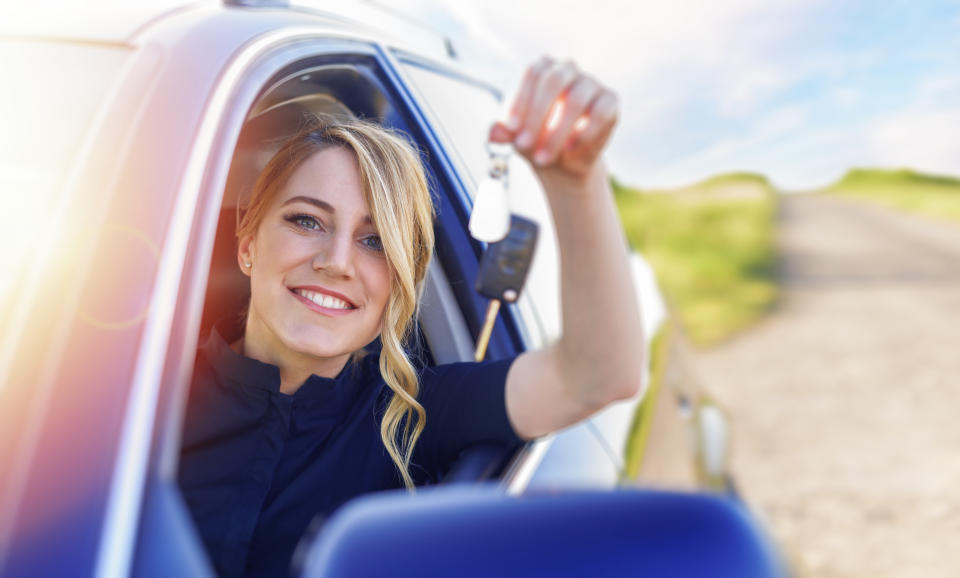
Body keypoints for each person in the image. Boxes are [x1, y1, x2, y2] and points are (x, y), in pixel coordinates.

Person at [177, 57, 644, 578]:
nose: (336, 261)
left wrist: (575, 183)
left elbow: (600, 375)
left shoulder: (416, 417)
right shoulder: (144, 393)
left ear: (399, 281)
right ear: (247, 244)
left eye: (374, 241)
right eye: (306, 220)